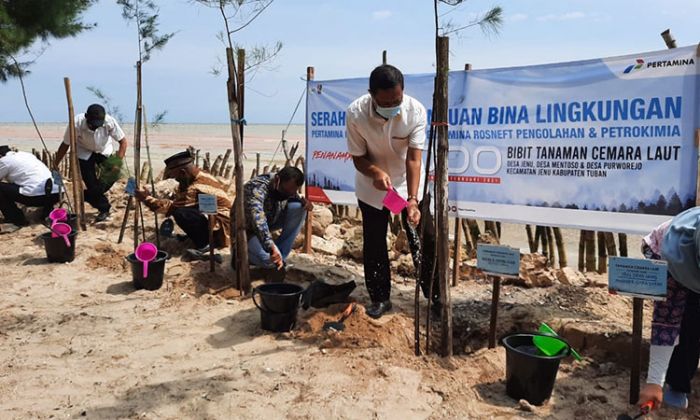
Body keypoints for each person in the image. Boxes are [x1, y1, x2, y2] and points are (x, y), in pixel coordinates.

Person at [345, 64, 439, 319]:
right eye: (385, 102)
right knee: (374, 242)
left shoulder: (415, 111)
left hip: (407, 188)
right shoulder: (355, 114)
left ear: (403, 92)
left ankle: (436, 296)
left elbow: (414, 160)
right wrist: (375, 172)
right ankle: (380, 297)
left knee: (425, 237)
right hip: (374, 187)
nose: (391, 106)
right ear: (371, 94)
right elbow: (358, 158)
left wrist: (412, 201)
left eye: (396, 100)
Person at [638, 208, 700, 410]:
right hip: (674, 260)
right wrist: (654, 381)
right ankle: (676, 384)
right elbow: (665, 324)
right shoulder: (673, 259)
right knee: (687, 321)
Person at [134, 150, 233, 261]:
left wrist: (146, 198)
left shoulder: (196, 187)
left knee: (181, 213)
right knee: (186, 210)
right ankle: (200, 236)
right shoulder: (200, 174)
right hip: (215, 216)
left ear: (183, 172)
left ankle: (205, 245)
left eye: (176, 177)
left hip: (222, 226)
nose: (176, 180)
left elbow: (169, 208)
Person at [55, 104, 128, 222]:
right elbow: (65, 144)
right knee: (92, 184)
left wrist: (117, 162)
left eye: (98, 126)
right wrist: (56, 163)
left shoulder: (109, 122)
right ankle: (104, 208)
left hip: (104, 150)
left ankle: (87, 195)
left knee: (113, 174)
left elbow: (123, 142)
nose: (95, 128)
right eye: (93, 125)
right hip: (84, 152)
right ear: (86, 117)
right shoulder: (76, 123)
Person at [239, 166, 312, 278]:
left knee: (299, 208)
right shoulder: (256, 188)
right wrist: (271, 246)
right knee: (267, 261)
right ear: (277, 180)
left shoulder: (286, 188)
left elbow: (293, 195)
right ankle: (240, 254)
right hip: (248, 230)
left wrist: (304, 202)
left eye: (292, 191)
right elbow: (258, 220)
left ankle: (280, 256)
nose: (288, 194)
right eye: (286, 191)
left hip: (270, 222)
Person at [0, 145, 59, 232]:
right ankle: (47, 210)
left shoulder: (4, 161)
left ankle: (16, 220)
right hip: (56, 194)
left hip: (37, 197)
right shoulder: (27, 155)